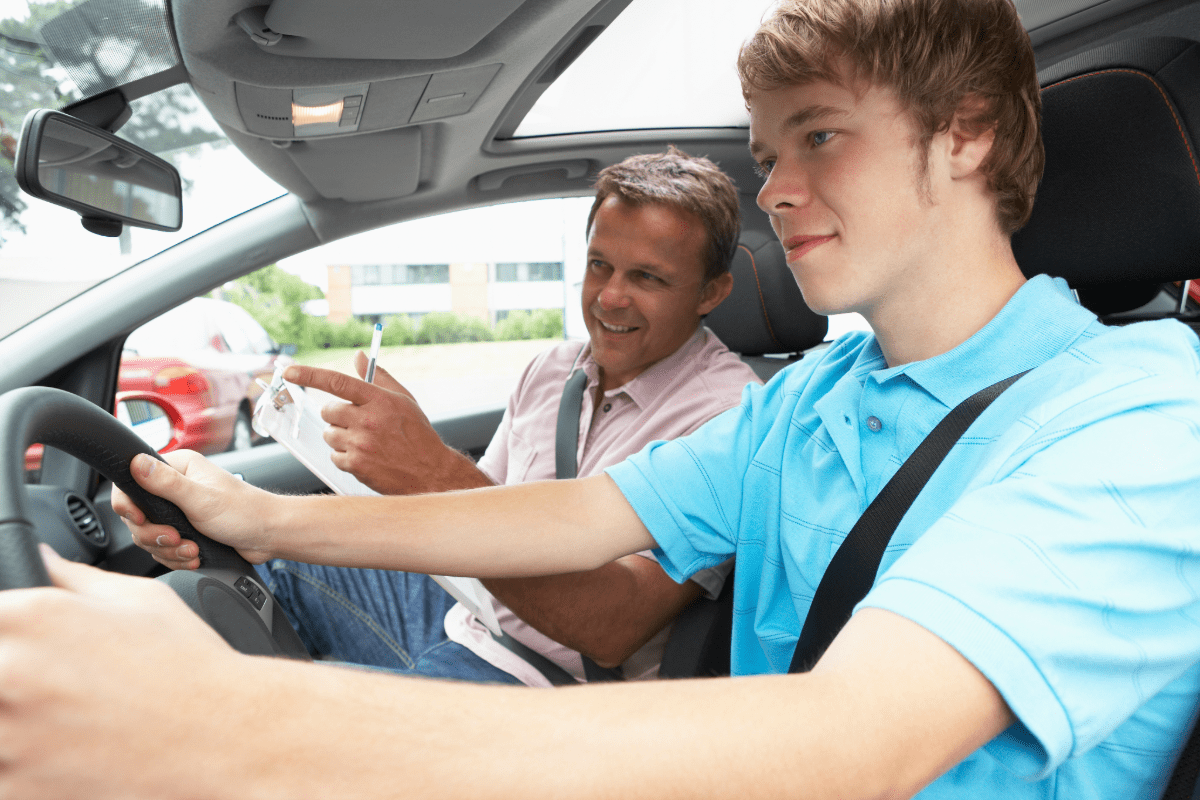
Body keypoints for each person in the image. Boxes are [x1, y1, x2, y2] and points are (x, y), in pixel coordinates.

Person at [3, 0, 1199, 797]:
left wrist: (223, 723)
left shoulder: (1143, 414)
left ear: (968, 136)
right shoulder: (818, 395)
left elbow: (855, 740)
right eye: (768, 150)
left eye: (818, 137)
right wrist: (264, 518)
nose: (776, 189)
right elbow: (576, 512)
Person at [191, 147, 760, 686]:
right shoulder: (553, 368)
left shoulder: (730, 418)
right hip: (468, 614)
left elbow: (611, 628)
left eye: (647, 278)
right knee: (245, 577)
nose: (609, 297)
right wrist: (391, 461)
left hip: (551, 684)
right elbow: (474, 509)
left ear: (712, 292)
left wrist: (433, 470)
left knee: (294, 715)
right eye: (599, 265)